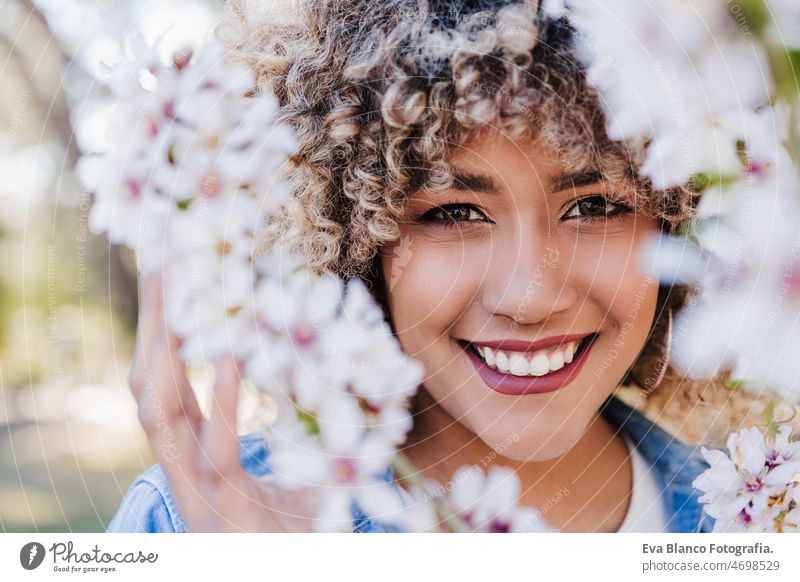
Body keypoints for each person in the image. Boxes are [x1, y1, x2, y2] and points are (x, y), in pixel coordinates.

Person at [106, 0, 786, 533]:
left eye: (596, 205)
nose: (530, 295)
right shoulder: (191, 527)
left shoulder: (762, 530)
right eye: (454, 213)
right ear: (352, 237)